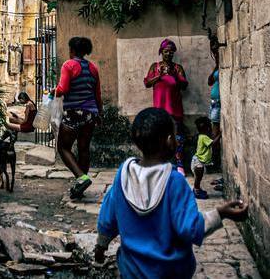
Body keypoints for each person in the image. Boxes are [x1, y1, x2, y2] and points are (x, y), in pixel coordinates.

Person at [94, 107, 248, 278]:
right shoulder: (174, 182)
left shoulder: (123, 175)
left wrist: (101, 247)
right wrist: (221, 213)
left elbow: (107, 218)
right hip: (170, 272)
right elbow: (190, 228)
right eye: (175, 136)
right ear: (169, 141)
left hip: (132, 271)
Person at [55, 36, 102, 199]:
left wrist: (56, 91)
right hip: (91, 114)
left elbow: (63, 88)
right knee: (84, 148)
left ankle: (81, 178)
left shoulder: (69, 65)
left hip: (74, 112)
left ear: (72, 50)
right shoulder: (93, 68)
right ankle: (81, 184)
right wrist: (99, 114)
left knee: (63, 147)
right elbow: (97, 95)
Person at [143, 38, 189, 172]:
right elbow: (147, 83)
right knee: (159, 137)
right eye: (166, 51)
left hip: (175, 110)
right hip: (159, 110)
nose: (168, 54)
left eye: (171, 52)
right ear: (161, 52)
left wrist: (174, 75)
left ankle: (179, 164)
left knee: (177, 137)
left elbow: (185, 86)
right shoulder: (155, 67)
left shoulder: (177, 68)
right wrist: (159, 75)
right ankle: (160, 165)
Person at [190, 117, 218, 199]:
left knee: (198, 178)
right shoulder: (203, 137)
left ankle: (197, 189)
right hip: (198, 162)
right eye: (210, 127)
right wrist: (220, 134)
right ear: (207, 128)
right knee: (198, 178)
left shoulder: (201, 136)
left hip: (197, 161)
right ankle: (196, 190)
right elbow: (213, 143)